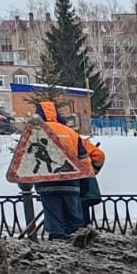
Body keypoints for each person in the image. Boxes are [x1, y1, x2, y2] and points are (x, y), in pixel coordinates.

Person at [31, 100, 101, 239]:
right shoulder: (70, 132)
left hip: (47, 185)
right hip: (72, 184)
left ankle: (58, 252)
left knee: (55, 223)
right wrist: (86, 181)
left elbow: (29, 160)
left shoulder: (36, 132)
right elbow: (84, 159)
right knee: (76, 222)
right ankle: (78, 248)